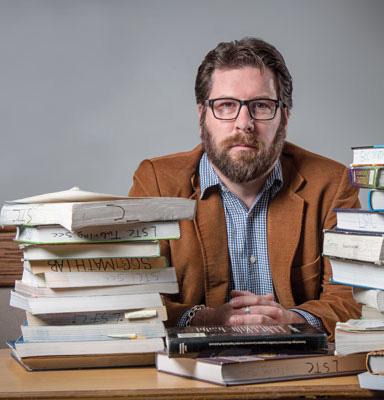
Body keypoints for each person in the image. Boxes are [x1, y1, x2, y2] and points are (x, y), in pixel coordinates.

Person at [129, 37, 360, 337]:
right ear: (202, 116)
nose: (244, 123)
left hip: (300, 367)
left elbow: (351, 297)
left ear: (284, 117)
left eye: (261, 106)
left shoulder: (331, 184)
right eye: (226, 106)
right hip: (193, 372)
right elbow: (135, 294)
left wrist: (293, 319)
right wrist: (205, 318)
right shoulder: (156, 183)